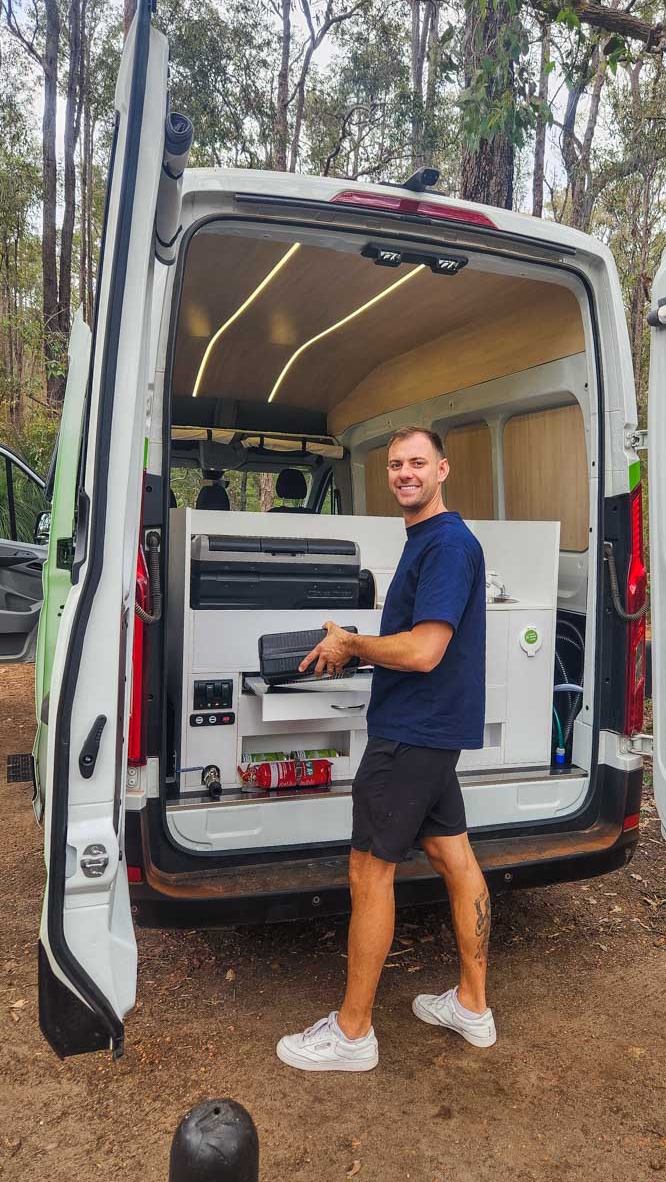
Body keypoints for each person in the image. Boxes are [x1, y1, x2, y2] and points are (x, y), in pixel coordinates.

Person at [276, 426, 495, 1072]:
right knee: (455, 859)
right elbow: (418, 640)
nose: (405, 473)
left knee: (368, 873)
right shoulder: (428, 540)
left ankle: (351, 1034)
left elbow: (425, 650)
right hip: (431, 735)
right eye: (396, 464)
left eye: (417, 463)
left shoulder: (448, 544)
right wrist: (357, 644)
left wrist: (354, 645)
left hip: (410, 735)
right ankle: (472, 1007)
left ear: (443, 470)